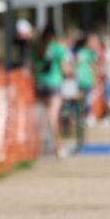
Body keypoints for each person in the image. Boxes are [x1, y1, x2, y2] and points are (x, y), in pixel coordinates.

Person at [32, 24, 72, 158]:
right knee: (53, 116)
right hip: (54, 84)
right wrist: (71, 71)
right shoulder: (58, 49)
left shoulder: (37, 48)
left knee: (41, 118)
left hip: (40, 84)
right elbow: (65, 69)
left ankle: (37, 148)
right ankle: (57, 146)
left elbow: (33, 66)